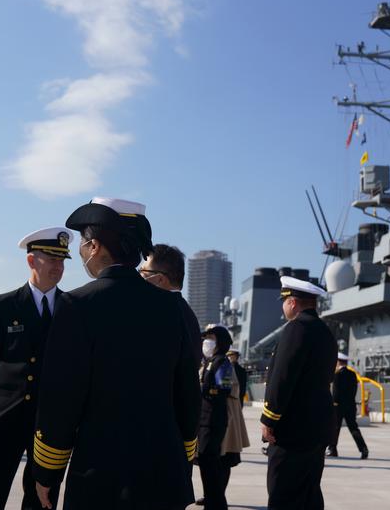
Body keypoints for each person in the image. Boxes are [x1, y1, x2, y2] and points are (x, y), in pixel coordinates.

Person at [32, 197, 200, 510]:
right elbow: (188, 394)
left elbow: (61, 399)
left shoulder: (76, 305)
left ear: (94, 246)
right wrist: (183, 455)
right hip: (164, 475)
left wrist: (48, 471)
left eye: (83, 243)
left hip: (101, 477)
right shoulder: (173, 307)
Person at [0, 227, 73, 510]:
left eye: (62, 260)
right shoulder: (3, 306)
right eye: (51, 259)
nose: (58, 267)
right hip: (7, 416)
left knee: (43, 498)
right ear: (31, 261)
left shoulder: (71, 308)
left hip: (49, 422)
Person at [260, 276, 337, 510]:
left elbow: (282, 378)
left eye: (284, 302)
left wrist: (268, 419)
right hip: (317, 428)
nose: (283, 308)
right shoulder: (326, 333)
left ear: (292, 302)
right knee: (308, 493)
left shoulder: (296, 328)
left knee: (282, 493)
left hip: (293, 430)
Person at [140, 244, 202, 368]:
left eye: (142, 273)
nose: (138, 279)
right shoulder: (186, 313)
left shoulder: (160, 312)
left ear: (160, 279)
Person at [196, 325, 234, 510]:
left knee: (210, 463)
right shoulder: (210, 361)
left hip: (213, 419)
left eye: (210, 338)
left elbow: (223, 389)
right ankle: (212, 502)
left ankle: (217, 504)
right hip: (205, 419)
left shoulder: (222, 362)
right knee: (205, 462)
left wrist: (204, 390)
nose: (206, 342)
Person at [328, 352, 368, 459]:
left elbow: (335, 393)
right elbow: (354, 390)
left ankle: (332, 449)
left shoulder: (337, 375)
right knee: (353, 428)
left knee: (335, 428)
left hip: (338, 406)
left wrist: (334, 404)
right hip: (350, 405)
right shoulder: (352, 374)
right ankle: (363, 449)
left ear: (338, 362)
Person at [221, 349, 250, 494]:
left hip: (231, 407)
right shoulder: (213, 364)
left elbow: (238, 389)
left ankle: (217, 495)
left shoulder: (230, 368)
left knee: (225, 456)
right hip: (226, 408)